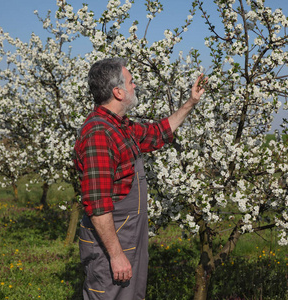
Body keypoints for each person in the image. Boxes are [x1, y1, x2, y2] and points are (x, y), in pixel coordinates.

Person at [73, 57, 205, 300]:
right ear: (118, 91)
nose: (135, 86)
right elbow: (98, 204)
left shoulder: (120, 127)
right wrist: (116, 254)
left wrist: (190, 103)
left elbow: (157, 133)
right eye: (131, 82)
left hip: (129, 237)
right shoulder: (99, 134)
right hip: (111, 244)